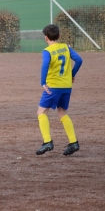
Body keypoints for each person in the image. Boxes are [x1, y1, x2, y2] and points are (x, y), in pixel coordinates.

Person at [36, 24, 82, 156]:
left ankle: (47, 142)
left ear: (46, 38)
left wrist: (43, 82)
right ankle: (73, 142)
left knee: (41, 112)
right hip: (66, 87)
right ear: (59, 36)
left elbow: (45, 65)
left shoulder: (47, 51)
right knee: (62, 113)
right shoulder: (66, 48)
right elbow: (79, 60)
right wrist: (72, 74)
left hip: (53, 87)